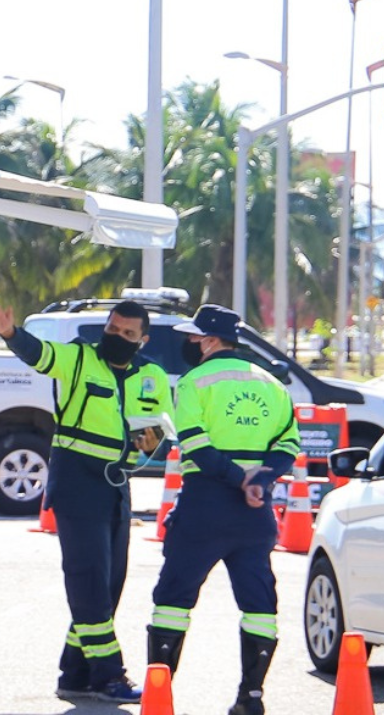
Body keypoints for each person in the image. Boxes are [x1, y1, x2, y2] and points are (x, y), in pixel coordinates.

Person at [0, 296, 172, 704]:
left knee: (109, 584)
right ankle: (108, 675)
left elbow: (158, 430)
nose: (117, 337)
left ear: (142, 338)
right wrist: (9, 333)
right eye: (112, 328)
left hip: (116, 485)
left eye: (127, 333)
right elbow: (39, 354)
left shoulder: (151, 375)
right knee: (88, 582)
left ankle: (75, 672)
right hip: (76, 483)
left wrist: (141, 452)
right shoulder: (79, 359)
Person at [147, 304, 300, 715]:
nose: (190, 344)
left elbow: (195, 445)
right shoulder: (273, 385)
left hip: (205, 507)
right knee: (259, 606)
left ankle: (159, 697)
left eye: (194, 337)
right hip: (256, 515)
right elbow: (288, 446)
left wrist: (238, 479)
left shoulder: (196, 381)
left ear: (210, 341)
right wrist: (260, 481)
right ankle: (251, 697)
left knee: (173, 599)